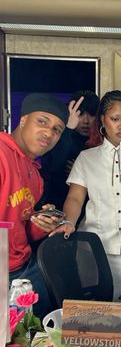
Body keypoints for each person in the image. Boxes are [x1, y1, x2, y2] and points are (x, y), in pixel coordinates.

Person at [50, 90, 121, 300]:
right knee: (100, 318)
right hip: (95, 251)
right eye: (115, 119)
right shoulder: (87, 158)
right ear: (103, 120)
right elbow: (75, 198)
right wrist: (68, 221)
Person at [1, 92, 69, 319]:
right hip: (3, 271)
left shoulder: (35, 176)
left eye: (57, 129)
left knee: (45, 332)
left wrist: (42, 222)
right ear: (22, 120)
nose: (49, 133)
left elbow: (22, 229)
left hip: (24, 267)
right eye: (42, 121)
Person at [39, 90, 100, 211]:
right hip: (58, 207)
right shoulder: (60, 137)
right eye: (80, 114)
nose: (86, 121)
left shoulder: (102, 142)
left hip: (93, 211)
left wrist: (80, 173)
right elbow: (50, 168)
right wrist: (69, 128)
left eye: (92, 114)